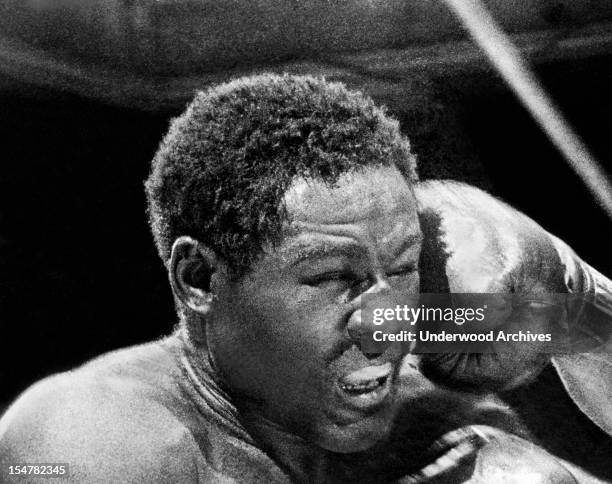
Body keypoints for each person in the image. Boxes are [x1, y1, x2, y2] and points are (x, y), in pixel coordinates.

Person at [0, 74, 610, 483]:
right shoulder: (97, 440)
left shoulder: (431, 377)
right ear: (199, 279)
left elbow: (549, 321)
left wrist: (580, 306)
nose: (383, 323)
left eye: (401, 268)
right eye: (332, 278)